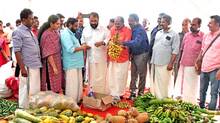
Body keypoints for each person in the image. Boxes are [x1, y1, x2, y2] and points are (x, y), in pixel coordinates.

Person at [12, 8, 42, 108]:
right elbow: (17, 51)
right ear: (24, 20)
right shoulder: (18, 32)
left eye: (33, 18)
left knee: (34, 89)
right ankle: (24, 109)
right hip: (27, 66)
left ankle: (32, 108)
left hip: (35, 64)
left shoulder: (30, 31)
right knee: (26, 89)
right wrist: (22, 68)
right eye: (30, 19)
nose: (33, 20)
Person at [174, 18, 204, 104]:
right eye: (191, 24)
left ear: (199, 25)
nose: (192, 26)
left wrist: (199, 65)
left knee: (192, 86)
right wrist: (178, 62)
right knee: (182, 85)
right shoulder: (187, 35)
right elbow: (182, 50)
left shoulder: (203, 36)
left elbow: (203, 51)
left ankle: (191, 103)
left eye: (194, 25)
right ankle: (183, 102)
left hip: (193, 66)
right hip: (183, 64)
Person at [61, 18, 90, 104]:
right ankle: (71, 103)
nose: (77, 28)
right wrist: (83, 47)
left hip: (77, 63)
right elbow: (70, 49)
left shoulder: (71, 33)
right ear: (69, 25)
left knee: (78, 84)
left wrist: (82, 46)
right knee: (72, 85)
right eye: (75, 26)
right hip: (71, 64)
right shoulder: (65, 34)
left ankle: (77, 101)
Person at [150, 14, 180, 99]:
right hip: (155, 61)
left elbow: (175, 51)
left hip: (165, 63)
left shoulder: (174, 34)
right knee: (156, 82)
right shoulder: (158, 32)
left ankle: (164, 99)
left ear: (169, 22)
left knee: (164, 82)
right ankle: (157, 98)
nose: (161, 23)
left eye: (163, 22)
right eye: (161, 21)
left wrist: (171, 63)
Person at [121, 14, 149, 100]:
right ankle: (132, 92)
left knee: (141, 74)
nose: (129, 22)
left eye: (131, 21)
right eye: (128, 20)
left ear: (137, 21)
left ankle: (140, 94)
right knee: (133, 74)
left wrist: (123, 43)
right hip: (134, 54)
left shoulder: (140, 30)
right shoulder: (133, 29)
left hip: (142, 54)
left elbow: (136, 43)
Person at [195, 15, 220, 110]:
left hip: (215, 69)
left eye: (210, 23)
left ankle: (211, 111)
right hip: (204, 68)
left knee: (213, 92)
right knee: (202, 90)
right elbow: (202, 50)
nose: (208, 25)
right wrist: (198, 61)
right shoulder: (206, 35)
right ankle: (201, 108)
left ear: (217, 24)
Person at [81, 12, 109, 94]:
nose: (93, 23)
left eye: (95, 21)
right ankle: (91, 92)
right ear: (89, 20)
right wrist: (84, 45)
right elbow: (82, 40)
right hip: (91, 57)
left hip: (101, 57)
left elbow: (108, 39)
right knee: (91, 76)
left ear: (98, 20)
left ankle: (101, 93)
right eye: (91, 21)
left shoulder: (104, 29)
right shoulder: (85, 29)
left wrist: (102, 42)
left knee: (101, 76)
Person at [107, 16, 131, 101]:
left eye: (118, 23)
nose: (116, 25)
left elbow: (127, 43)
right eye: (115, 23)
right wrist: (111, 43)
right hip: (113, 57)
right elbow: (110, 39)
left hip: (123, 58)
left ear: (123, 23)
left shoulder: (127, 30)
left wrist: (120, 45)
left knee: (121, 76)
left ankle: (120, 93)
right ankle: (112, 93)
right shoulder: (112, 29)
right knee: (112, 76)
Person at [38, 15, 63, 93]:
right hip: (50, 64)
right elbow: (48, 53)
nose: (59, 26)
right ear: (51, 24)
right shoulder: (47, 35)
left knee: (57, 82)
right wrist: (54, 67)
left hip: (57, 60)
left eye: (59, 24)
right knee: (50, 84)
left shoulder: (55, 32)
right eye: (57, 24)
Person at [174, 18, 191, 83]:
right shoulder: (178, 35)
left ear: (190, 25)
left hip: (188, 62)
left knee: (186, 80)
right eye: (182, 25)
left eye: (186, 25)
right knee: (177, 78)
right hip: (177, 61)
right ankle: (176, 92)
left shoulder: (192, 36)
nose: (183, 27)